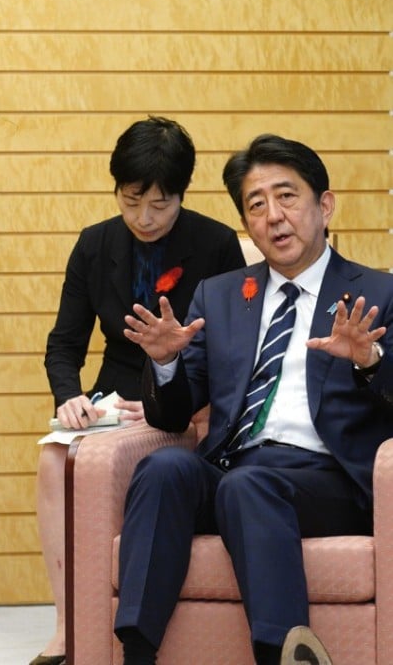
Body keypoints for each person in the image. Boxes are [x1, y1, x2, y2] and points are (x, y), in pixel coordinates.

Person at [114, 134, 393, 665]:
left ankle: (283, 652)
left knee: (251, 485)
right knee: (164, 469)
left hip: (327, 480)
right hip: (232, 470)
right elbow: (174, 415)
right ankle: (136, 652)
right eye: (256, 205)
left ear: (324, 204)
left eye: (286, 197)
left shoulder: (378, 294)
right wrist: (167, 362)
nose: (273, 216)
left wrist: (369, 361)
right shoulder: (220, 295)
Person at [32, 116, 245, 665]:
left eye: (160, 205)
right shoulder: (94, 244)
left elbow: (230, 352)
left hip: (185, 401)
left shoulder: (217, 245)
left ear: (182, 195)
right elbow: (64, 342)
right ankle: (67, 624)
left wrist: (190, 407)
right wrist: (69, 396)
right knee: (55, 462)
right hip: (113, 400)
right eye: (131, 202)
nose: (144, 218)